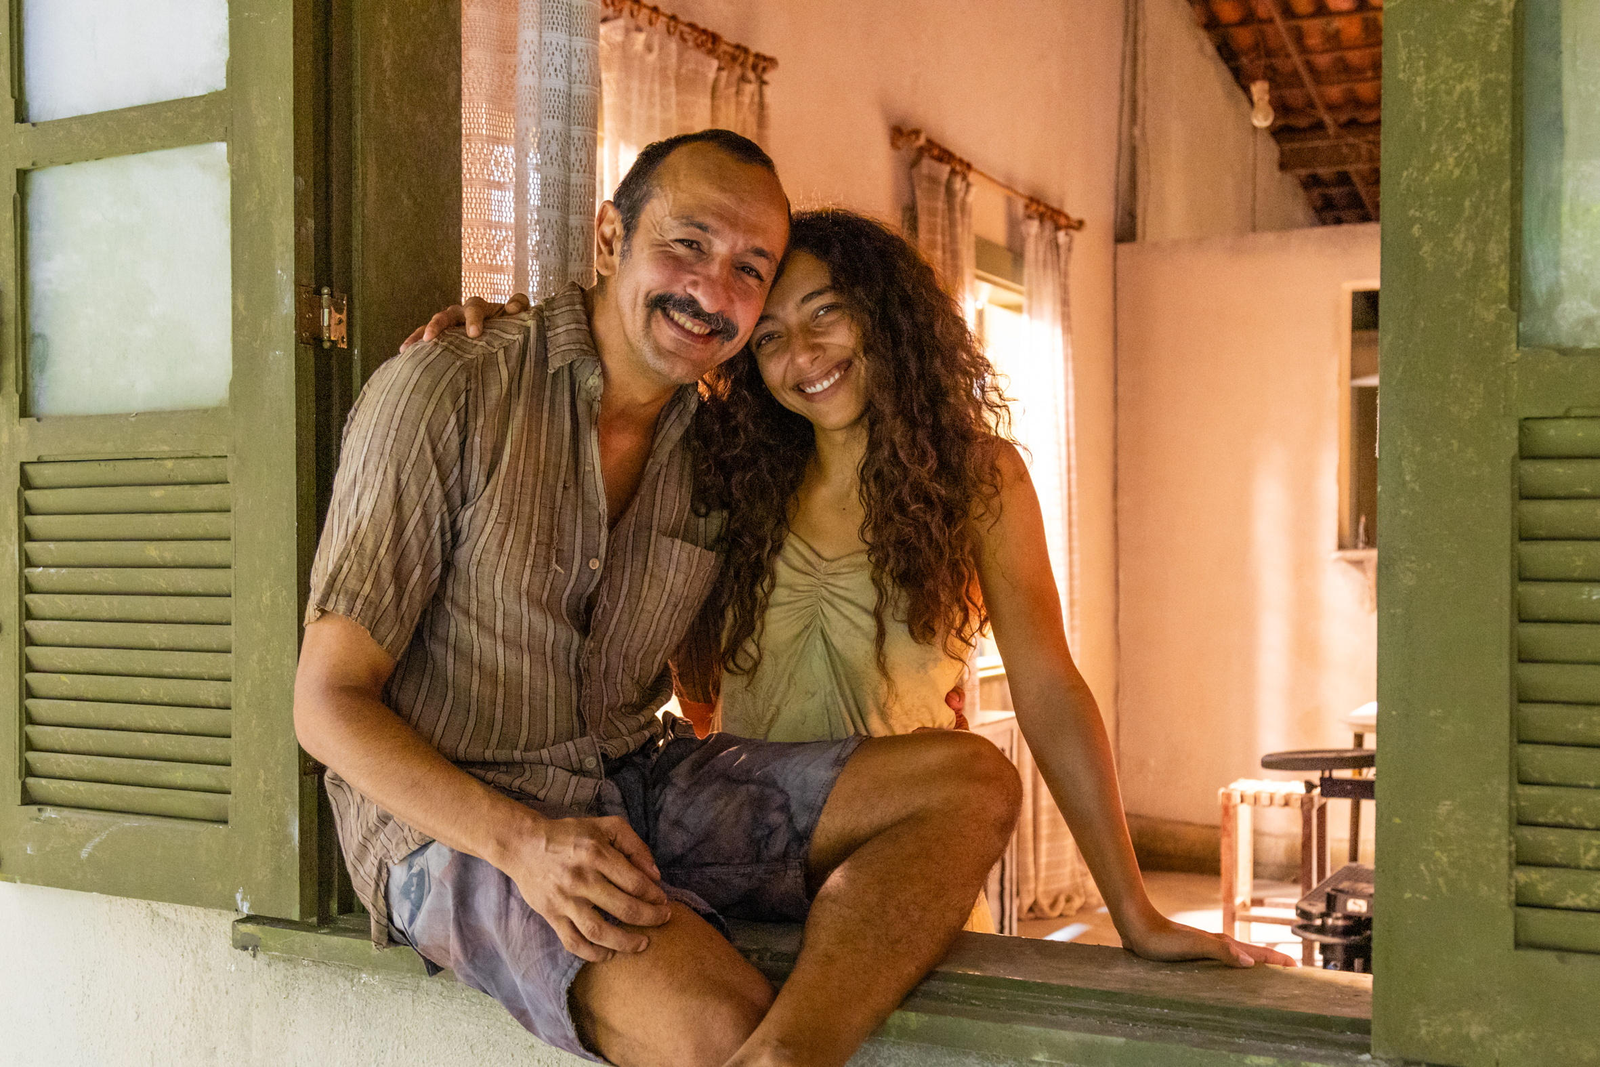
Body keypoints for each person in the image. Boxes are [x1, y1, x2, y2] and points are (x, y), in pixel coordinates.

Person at [294, 129, 1023, 1067]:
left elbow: (845, 463)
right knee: (710, 1021)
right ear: (610, 239)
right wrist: (525, 845)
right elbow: (325, 703)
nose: (714, 291)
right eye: (687, 244)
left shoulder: (721, 449)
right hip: (460, 826)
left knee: (970, 781)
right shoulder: (450, 390)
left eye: (749, 269)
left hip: (640, 780)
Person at [418, 203, 1298, 971]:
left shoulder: (978, 480)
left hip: (896, 874)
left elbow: (1050, 689)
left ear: (886, 316)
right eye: (768, 338)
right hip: (742, 864)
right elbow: (609, 404)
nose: (803, 355)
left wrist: (1137, 912)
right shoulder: (727, 467)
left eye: (826, 315)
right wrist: (503, 338)